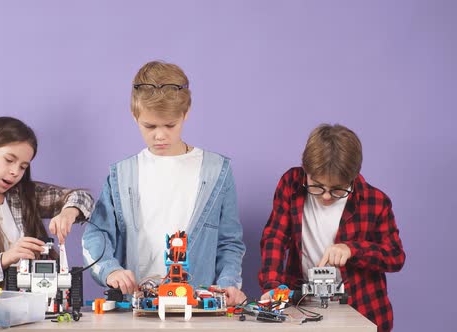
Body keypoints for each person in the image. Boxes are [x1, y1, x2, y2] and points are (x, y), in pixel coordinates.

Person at [82, 61, 246, 306]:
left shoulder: (216, 171)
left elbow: (229, 242)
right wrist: (110, 270)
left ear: (185, 113)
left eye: (170, 125)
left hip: (198, 308)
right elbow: (97, 232)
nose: (160, 135)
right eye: (149, 126)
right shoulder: (123, 174)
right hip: (138, 308)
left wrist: (228, 283)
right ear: (134, 115)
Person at [258, 124, 405, 331]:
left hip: (361, 310)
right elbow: (275, 236)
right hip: (303, 307)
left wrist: (352, 249)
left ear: (352, 178)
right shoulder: (291, 183)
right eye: (317, 186)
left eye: (337, 190)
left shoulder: (376, 201)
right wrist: (272, 286)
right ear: (306, 170)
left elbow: (395, 256)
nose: (326, 196)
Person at [0, 116, 93, 284]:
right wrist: (6, 258)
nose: (15, 172)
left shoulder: (25, 195)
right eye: (9, 160)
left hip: (35, 304)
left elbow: (83, 198)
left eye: (23, 167)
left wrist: (69, 212)